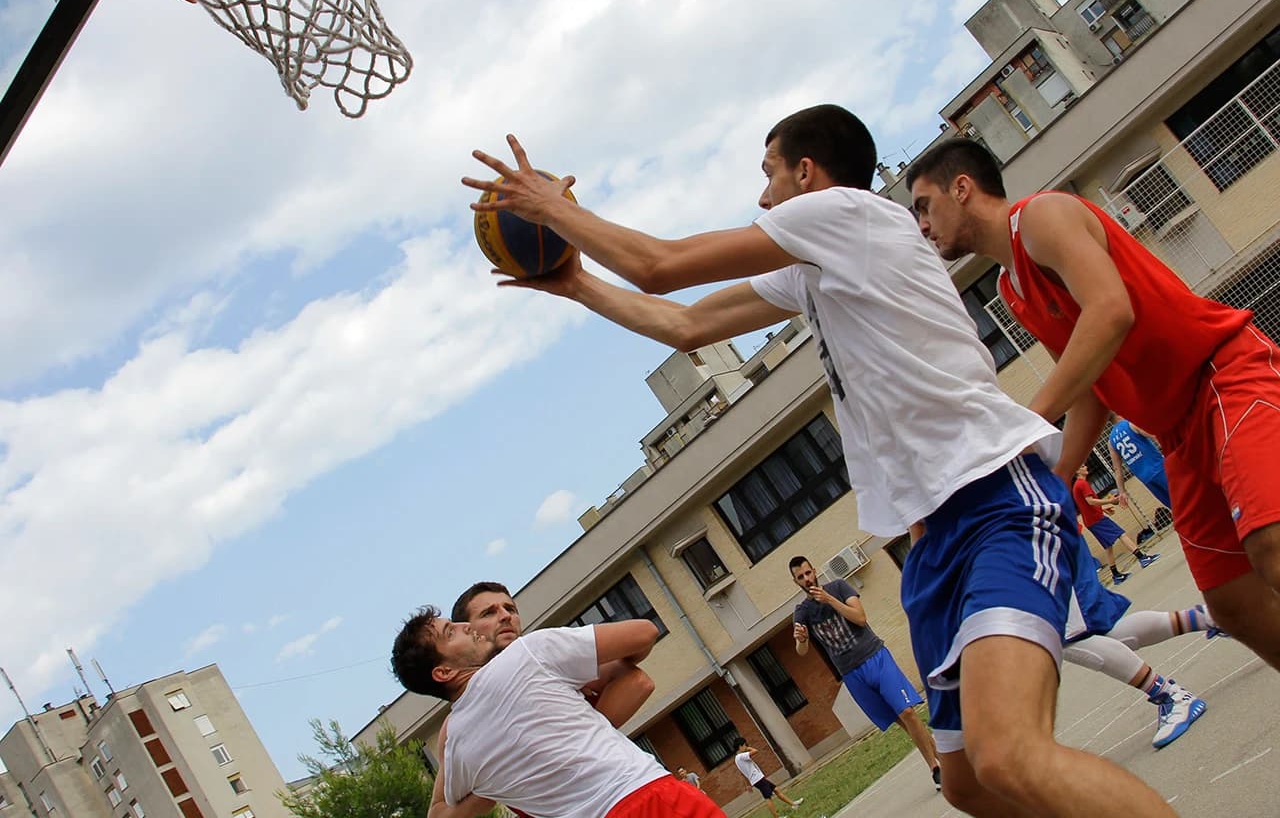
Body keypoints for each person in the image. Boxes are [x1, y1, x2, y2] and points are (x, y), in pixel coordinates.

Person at [463, 106, 1175, 816]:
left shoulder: (844, 213)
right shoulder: (816, 266)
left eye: (770, 174)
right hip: (934, 537)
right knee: (965, 784)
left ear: (808, 173)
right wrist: (575, 283)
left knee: (1010, 754)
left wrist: (553, 209)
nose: (764, 195)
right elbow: (685, 325)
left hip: (992, 500)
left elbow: (661, 267)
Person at [907, 138, 1280, 673]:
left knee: (1271, 542)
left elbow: (1110, 310)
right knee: (1233, 605)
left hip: (1222, 378)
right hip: (1177, 432)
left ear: (961, 188)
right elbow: (1091, 392)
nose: (921, 225)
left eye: (923, 205)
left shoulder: (1041, 216)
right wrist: (1050, 480)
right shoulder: (1011, 288)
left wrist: (1018, 431)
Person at [390, 609, 724, 818]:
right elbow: (643, 633)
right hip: (642, 798)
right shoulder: (526, 654)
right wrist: (588, 678)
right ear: (443, 672)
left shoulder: (457, 744)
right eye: (452, 631)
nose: (466, 627)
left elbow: (440, 814)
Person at [789, 556, 941, 791]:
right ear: (795, 581)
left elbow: (860, 618)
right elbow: (801, 651)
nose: (807, 579)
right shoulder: (802, 612)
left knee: (908, 712)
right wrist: (802, 640)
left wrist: (829, 600)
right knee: (901, 720)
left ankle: (934, 767)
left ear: (814, 571)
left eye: (808, 573)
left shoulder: (838, 587)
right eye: (801, 577)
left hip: (875, 657)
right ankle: (940, 758)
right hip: (851, 674)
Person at [1060, 529, 1212, 749]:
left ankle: (1171, 695)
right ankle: (1209, 618)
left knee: (1067, 638)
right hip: (1037, 541)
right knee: (1102, 636)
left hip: (1035, 542)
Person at [452, 581, 655, 728]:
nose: (506, 616)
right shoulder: (467, 708)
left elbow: (638, 677)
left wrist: (585, 736)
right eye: (489, 613)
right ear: (466, 629)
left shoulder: (544, 657)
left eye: (510, 609)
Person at [1072, 466, 1159, 583]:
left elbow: (1086, 506)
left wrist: (1103, 508)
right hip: (1096, 520)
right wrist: (1110, 501)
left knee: (1108, 546)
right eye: (1082, 466)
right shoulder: (1082, 484)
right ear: (1077, 470)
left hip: (1092, 520)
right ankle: (1142, 557)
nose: (1086, 467)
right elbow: (1090, 501)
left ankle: (1115, 574)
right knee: (1121, 534)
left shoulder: (1077, 486)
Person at [1109, 418, 1173, 510]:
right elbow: (1155, 437)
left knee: (1174, 506)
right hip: (1160, 469)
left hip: (1146, 479)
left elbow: (1117, 470)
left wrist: (1122, 492)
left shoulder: (1111, 441)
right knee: (1185, 497)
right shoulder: (1131, 424)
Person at [733, 740, 803, 817]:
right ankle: (776, 817)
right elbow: (755, 751)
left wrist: (747, 784)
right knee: (768, 797)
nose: (745, 747)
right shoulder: (741, 756)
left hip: (757, 778)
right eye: (744, 745)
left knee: (776, 789)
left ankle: (793, 804)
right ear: (740, 746)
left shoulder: (737, 759)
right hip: (757, 779)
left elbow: (742, 773)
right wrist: (748, 748)